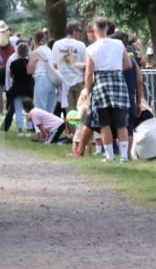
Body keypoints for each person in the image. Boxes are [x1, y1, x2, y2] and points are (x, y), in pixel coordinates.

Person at [85, 17, 133, 163]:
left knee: (104, 123)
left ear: (94, 30)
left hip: (101, 83)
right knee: (121, 122)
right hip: (118, 82)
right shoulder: (118, 43)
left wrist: (88, 93)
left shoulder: (91, 48)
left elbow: (88, 73)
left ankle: (110, 156)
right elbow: (128, 64)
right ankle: (124, 157)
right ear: (107, 28)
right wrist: (116, 69)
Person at [52, 21, 87, 111]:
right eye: (79, 30)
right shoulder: (81, 45)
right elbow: (85, 65)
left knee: (70, 112)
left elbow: (54, 64)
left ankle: (73, 126)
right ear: (74, 31)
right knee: (81, 110)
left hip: (64, 82)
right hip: (78, 81)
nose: (80, 33)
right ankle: (79, 126)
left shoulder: (57, 44)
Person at [3, 43, 35, 135]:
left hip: (17, 88)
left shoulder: (13, 63)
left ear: (17, 52)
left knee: (18, 109)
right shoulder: (29, 63)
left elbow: (11, 75)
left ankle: (20, 129)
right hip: (28, 88)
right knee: (29, 110)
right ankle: (29, 128)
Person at [27, 29, 58, 113]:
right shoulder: (50, 51)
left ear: (34, 40)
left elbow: (29, 70)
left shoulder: (37, 52)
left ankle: (40, 126)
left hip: (41, 79)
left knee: (40, 109)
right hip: (52, 79)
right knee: (50, 110)